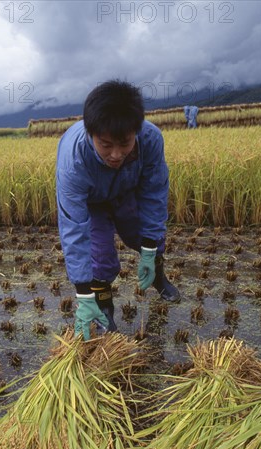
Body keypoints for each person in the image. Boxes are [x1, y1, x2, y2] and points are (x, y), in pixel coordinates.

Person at [56, 80, 180, 341]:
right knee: (101, 257)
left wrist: (149, 247)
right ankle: (103, 309)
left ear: (136, 130)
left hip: (127, 191)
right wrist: (82, 293)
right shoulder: (73, 160)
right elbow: (73, 226)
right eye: (105, 145)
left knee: (149, 239)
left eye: (124, 144)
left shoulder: (150, 139)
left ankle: (158, 276)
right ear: (91, 134)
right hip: (92, 203)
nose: (115, 154)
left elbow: (154, 193)